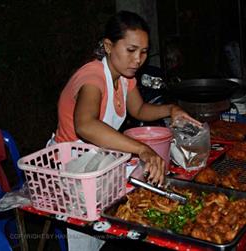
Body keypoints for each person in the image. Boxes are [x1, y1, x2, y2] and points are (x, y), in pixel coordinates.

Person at [52, 10, 200, 250]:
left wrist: (170, 109)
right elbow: (85, 125)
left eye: (143, 52)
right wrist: (142, 149)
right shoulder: (93, 78)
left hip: (99, 162)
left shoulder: (124, 76)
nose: (138, 60)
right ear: (109, 46)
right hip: (73, 170)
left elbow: (139, 109)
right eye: (131, 50)